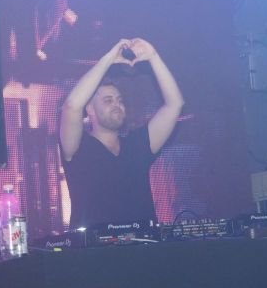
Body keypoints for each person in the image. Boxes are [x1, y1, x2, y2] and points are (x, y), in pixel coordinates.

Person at [59, 38, 184, 228]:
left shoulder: (137, 145)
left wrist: (153, 57)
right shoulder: (78, 148)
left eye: (119, 100)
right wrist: (108, 60)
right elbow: (71, 106)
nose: (117, 105)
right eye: (108, 100)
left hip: (143, 244)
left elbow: (175, 105)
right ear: (89, 109)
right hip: (95, 246)